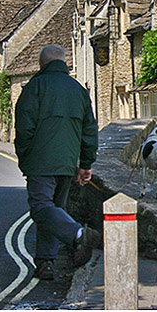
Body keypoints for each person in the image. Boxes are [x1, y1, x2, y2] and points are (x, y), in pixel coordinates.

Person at [14, 44, 101, 280]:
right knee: (53, 211)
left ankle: (79, 234)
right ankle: (45, 264)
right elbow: (89, 131)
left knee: (42, 208)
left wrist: (25, 158)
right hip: (66, 164)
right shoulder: (79, 91)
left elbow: (24, 129)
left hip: (41, 162)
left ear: (42, 64)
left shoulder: (35, 87)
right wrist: (85, 163)